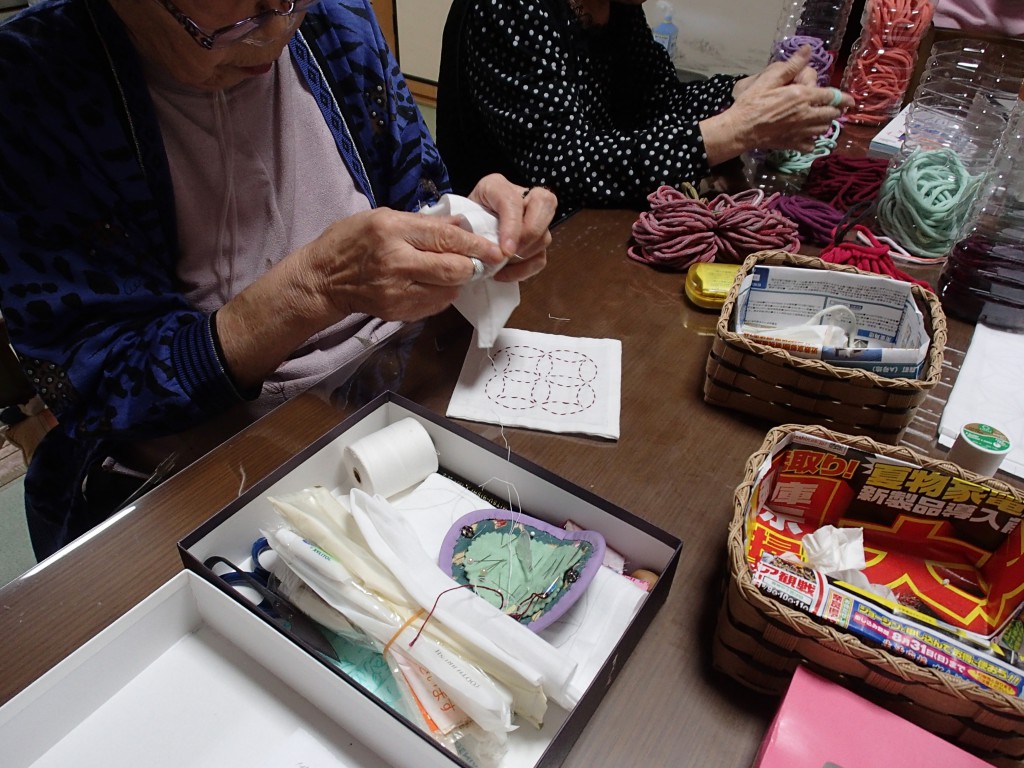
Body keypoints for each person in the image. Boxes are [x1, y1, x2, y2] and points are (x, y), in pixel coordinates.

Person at [0, 0, 557, 559]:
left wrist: (465, 223)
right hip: (213, 466)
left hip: (398, 395)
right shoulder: (31, 84)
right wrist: (311, 289)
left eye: (293, 2)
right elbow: (102, 389)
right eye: (238, 21)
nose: (277, 32)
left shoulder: (334, 18)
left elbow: (415, 192)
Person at [437, 0, 855, 213]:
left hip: (589, 222)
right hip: (516, 247)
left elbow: (660, 102)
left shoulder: (615, 8)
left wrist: (743, 92)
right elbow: (566, 168)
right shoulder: (511, 6)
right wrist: (736, 130)